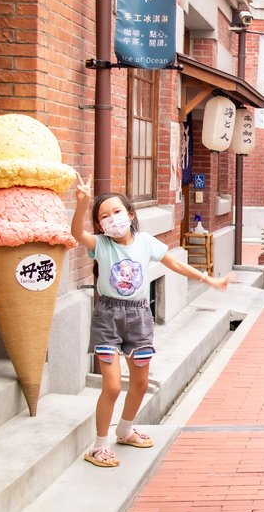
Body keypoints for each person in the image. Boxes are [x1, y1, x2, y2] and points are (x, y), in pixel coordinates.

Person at [71, 175, 231, 467]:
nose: (112, 219)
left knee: (141, 384)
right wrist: (82, 205)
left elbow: (174, 263)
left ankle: (125, 429)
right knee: (113, 386)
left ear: (130, 214)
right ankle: (99, 445)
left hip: (139, 316)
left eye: (117, 212)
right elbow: (77, 235)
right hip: (108, 315)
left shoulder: (146, 242)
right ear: (100, 224)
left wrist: (208, 279)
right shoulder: (102, 244)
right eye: (104, 216)